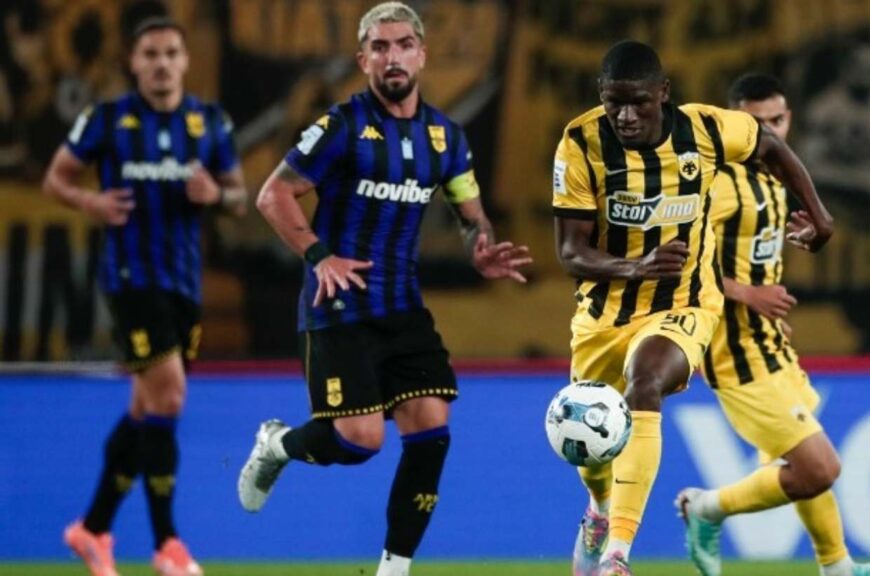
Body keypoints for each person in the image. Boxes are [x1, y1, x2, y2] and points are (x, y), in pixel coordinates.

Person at [237, 3, 530, 576]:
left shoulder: (446, 138)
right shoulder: (342, 127)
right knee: (359, 442)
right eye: (379, 47)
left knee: (432, 429)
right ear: (362, 59)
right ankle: (277, 445)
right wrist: (319, 256)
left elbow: (471, 215)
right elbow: (273, 194)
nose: (392, 56)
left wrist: (481, 245)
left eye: (402, 45)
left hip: (402, 308)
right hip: (338, 305)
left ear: (421, 54)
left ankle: (393, 570)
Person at [552, 41, 833, 576]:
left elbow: (771, 145)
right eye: (614, 102)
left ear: (663, 93)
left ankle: (617, 554)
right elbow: (570, 252)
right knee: (594, 453)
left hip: (685, 302)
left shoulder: (704, 130)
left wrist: (820, 217)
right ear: (601, 96)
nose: (625, 116)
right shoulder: (580, 143)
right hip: (603, 314)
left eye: (638, 102)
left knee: (646, 381)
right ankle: (599, 509)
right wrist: (636, 267)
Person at [673, 73, 870, 576]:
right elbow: (677, 260)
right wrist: (747, 295)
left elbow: (750, 259)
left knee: (799, 466)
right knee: (819, 467)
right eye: (755, 123)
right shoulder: (718, 183)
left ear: (790, 118)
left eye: (776, 120)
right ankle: (705, 508)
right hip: (735, 355)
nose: (768, 132)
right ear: (734, 124)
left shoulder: (775, 180)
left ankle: (838, 568)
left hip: (768, 345)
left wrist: (768, 308)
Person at [42, 16, 247, 576]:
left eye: (171, 53)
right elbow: (56, 178)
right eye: (150, 54)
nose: (161, 63)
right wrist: (90, 203)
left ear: (185, 61)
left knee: (147, 407)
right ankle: (167, 545)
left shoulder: (209, 122)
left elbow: (240, 198)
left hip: (184, 284)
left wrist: (217, 194)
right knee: (171, 396)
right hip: (131, 280)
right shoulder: (107, 120)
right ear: (133, 63)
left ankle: (92, 529)